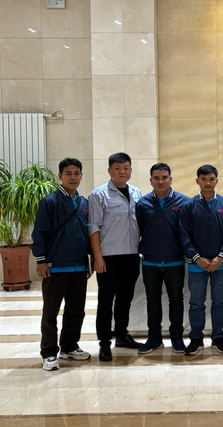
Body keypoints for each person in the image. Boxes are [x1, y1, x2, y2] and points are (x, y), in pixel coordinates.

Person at [31, 158, 92, 371]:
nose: (73, 177)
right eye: (68, 173)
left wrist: (89, 262)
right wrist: (41, 260)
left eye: (76, 173)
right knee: (50, 313)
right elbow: (39, 233)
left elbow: (88, 234)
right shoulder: (50, 202)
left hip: (79, 268)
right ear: (60, 176)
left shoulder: (84, 203)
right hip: (55, 267)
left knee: (76, 310)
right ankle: (49, 353)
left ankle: (69, 346)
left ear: (81, 175)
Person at [88, 152, 143, 362]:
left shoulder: (137, 192)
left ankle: (121, 335)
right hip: (108, 257)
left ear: (131, 169)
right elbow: (93, 227)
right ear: (109, 170)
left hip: (131, 256)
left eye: (126, 168)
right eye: (117, 168)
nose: (122, 172)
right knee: (105, 301)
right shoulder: (98, 194)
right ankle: (104, 342)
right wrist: (97, 257)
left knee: (125, 300)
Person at [179, 165, 223, 356]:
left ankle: (218, 337)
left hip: (221, 264)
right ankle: (196, 338)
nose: (208, 182)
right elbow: (184, 235)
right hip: (197, 265)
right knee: (196, 303)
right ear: (197, 181)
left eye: (211, 179)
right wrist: (196, 257)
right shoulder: (189, 206)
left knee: (220, 302)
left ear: (216, 180)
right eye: (203, 179)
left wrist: (221, 256)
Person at [135, 163, 189, 355]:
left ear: (170, 179)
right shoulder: (142, 204)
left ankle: (177, 338)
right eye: (156, 178)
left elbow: (186, 231)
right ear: (151, 180)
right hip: (150, 261)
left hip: (175, 261)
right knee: (152, 300)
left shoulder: (184, 202)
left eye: (164, 177)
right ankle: (154, 338)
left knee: (176, 300)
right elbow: (140, 229)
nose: (160, 181)